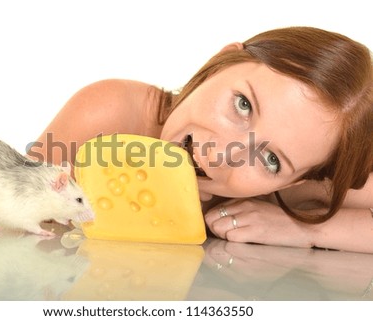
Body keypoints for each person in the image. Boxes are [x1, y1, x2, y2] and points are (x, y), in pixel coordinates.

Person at [29, 26, 373, 253]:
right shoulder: (109, 113)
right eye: (243, 105)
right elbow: (14, 213)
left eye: (271, 161)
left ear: (298, 179)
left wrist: (301, 229)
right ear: (218, 63)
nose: (223, 155)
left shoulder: (296, 189)